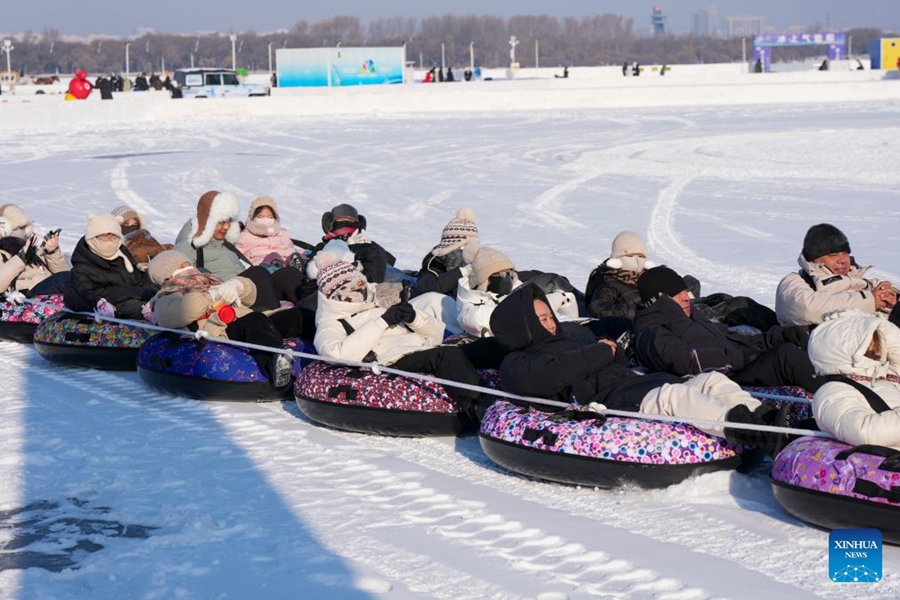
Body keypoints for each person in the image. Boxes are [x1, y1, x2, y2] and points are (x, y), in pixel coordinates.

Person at [490, 283, 790, 455]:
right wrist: (599, 352)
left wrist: (608, 351)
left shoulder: (571, 336)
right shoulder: (517, 363)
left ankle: (767, 421)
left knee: (711, 380)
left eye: (549, 315)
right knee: (674, 397)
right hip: (609, 399)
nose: (551, 323)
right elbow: (555, 374)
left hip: (632, 383)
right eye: (541, 320)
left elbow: (614, 356)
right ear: (524, 329)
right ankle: (754, 435)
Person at [311, 246, 482, 412]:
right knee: (447, 355)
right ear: (338, 293)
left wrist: (414, 318)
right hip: (391, 361)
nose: (363, 288)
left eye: (362, 282)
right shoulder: (331, 322)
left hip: (417, 348)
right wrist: (383, 322)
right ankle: (479, 409)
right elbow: (337, 354)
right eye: (356, 286)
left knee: (486, 346)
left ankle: (502, 397)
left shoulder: (373, 307)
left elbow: (436, 336)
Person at [633, 266, 821, 393]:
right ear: (659, 301)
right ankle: (838, 401)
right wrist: (741, 358)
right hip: (721, 385)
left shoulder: (693, 317)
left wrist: (781, 335)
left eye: (685, 291)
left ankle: (838, 385)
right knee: (784, 356)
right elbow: (688, 362)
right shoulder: (652, 332)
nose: (686, 297)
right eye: (676, 294)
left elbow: (738, 342)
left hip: (735, 371)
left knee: (795, 344)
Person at [146, 250, 298, 388]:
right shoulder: (165, 298)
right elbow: (187, 310)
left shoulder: (209, 281)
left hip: (247, 318)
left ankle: (315, 360)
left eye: (188, 264)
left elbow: (251, 299)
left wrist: (238, 285)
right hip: (220, 329)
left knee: (294, 316)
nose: (189, 268)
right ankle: (275, 362)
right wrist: (212, 294)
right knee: (255, 320)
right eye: (182, 266)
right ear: (168, 275)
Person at [174, 190, 308, 311]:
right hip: (228, 295)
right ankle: (271, 315)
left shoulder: (227, 245)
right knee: (258, 272)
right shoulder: (189, 247)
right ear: (207, 220)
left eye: (229, 221)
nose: (226, 227)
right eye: (221, 222)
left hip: (247, 289)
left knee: (286, 273)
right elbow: (173, 281)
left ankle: (312, 310)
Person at [806, 314, 900, 450]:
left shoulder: (885, 378)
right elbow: (863, 432)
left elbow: (897, 349)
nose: (878, 352)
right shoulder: (833, 392)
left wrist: (872, 321)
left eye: (877, 346)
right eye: (868, 348)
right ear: (846, 351)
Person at [775, 223, 896, 326]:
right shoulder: (793, 281)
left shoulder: (860, 281)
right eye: (833, 255)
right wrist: (870, 300)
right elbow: (807, 309)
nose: (842, 260)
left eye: (845, 253)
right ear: (813, 259)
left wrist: (890, 300)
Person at [456, 246, 578, 338]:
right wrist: (549, 302)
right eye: (502, 274)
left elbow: (568, 299)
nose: (508, 278)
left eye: (510, 273)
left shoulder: (515, 291)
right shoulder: (471, 310)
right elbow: (510, 316)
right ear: (484, 279)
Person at [63, 213, 156, 319]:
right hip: (113, 304)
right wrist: (102, 303)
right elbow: (88, 292)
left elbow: (139, 281)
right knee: (132, 307)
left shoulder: (123, 256)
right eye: (103, 237)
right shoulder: (82, 265)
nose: (108, 240)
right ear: (92, 238)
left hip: (135, 296)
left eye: (112, 236)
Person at [0, 204, 71, 295]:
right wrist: (21, 258)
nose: (20, 233)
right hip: (27, 299)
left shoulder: (34, 250)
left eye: (22, 227)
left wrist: (52, 252)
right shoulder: (3, 254)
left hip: (53, 299)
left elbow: (67, 274)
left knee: (75, 278)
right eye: (17, 228)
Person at [412, 208, 480, 300]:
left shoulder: (477, 269)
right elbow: (422, 292)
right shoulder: (434, 269)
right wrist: (460, 273)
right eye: (465, 248)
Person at [235, 196, 303, 269]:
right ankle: (277, 267)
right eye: (261, 217)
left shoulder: (282, 233)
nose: (265, 220)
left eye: (270, 217)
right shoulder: (246, 235)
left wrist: (304, 253)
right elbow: (236, 254)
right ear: (252, 217)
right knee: (273, 256)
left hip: (285, 263)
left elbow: (291, 249)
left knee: (296, 257)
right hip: (261, 267)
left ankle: (295, 267)